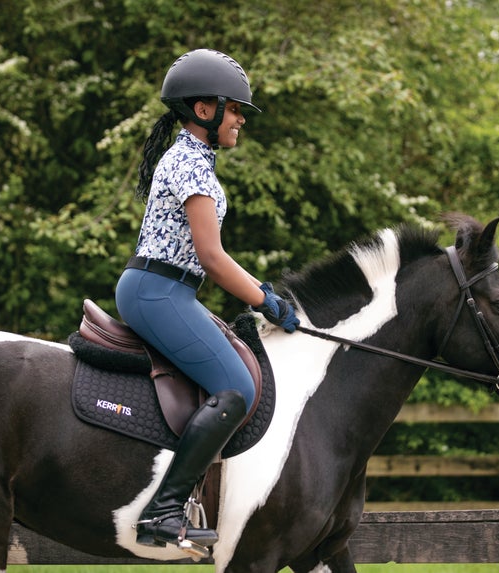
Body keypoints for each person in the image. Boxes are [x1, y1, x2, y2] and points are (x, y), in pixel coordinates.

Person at [114, 49, 300, 551]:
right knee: (236, 384)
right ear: (204, 110)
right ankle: (164, 511)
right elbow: (213, 259)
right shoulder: (190, 166)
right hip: (158, 291)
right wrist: (266, 300)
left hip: (169, 289)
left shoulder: (193, 161)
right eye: (235, 108)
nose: (241, 119)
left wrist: (261, 293)